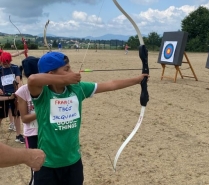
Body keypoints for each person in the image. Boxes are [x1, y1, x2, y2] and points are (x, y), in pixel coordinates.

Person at [27, 51, 149, 185]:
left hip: (73, 162)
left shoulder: (77, 89)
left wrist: (138, 80)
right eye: (67, 69)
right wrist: (65, 79)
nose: (72, 72)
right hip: (47, 164)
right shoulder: (43, 94)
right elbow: (32, 79)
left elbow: (111, 84)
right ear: (50, 75)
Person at [15, 56, 40, 185]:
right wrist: (42, 111)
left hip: (47, 132)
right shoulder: (22, 92)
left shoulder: (47, 87)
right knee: (36, 169)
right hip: (32, 134)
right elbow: (24, 118)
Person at [0, 52, 25, 144]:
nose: (6, 65)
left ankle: (19, 135)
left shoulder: (15, 68)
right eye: (4, 63)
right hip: (3, 96)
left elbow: (18, 80)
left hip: (14, 95)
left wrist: (18, 91)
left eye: (7, 63)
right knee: (1, 116)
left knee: (17, 115)